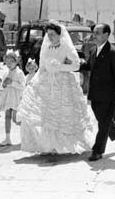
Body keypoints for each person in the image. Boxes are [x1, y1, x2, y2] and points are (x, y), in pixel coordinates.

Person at [17, 20, 94, 154]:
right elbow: (41, 65)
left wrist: (60, 66)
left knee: (61, 115)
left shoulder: (66, 47)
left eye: (53, 34)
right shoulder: (45, 46)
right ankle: (46, 145)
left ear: (59, 34)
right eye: (48, 34)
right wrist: (35, 81)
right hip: (46, 81)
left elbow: (76, 65)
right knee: (42, 115)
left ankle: (61, 146)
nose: (50, 37)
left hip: (62, 81)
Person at [86, 23, 115, 161]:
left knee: (103, 123)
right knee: (103, 119)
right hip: (94, 94)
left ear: (106, 35)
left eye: (97, 33)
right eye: (94, 32)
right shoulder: (93, 50)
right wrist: (73, 64)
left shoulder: (114, 52)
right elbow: (88, 65)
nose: (94, 35)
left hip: (109, 94)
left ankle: (98, 150)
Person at [0, 51, 26, 146]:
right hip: (8, 97)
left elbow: (22, 86)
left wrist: (12, 83)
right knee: (7, 117)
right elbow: (3, 84)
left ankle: (28, 134)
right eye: (7, 62)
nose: (9, 64)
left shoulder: (19, 72)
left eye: (11, 62)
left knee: (16, 119)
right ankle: (7, 138)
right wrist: (4, 84)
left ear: (16, 62)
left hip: (16, 98)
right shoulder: (6, 72)